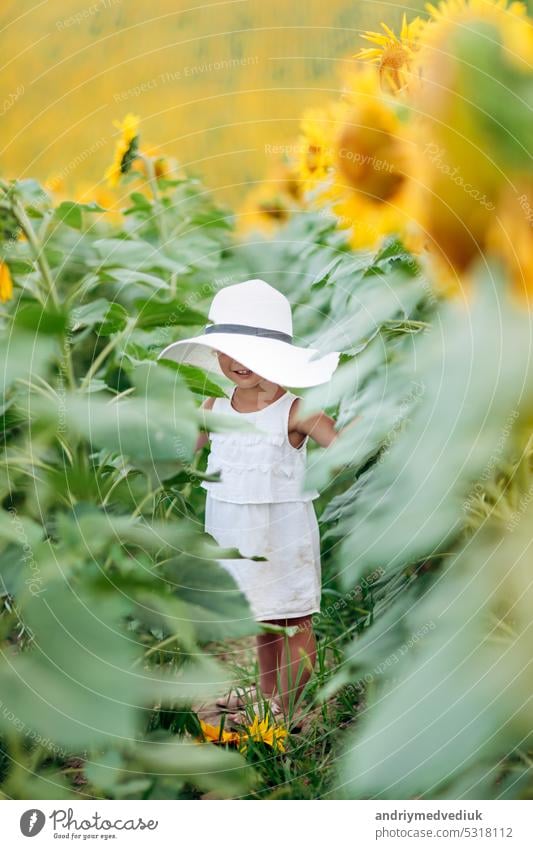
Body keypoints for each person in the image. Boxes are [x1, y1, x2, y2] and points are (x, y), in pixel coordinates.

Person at [158, 279, 345, 726]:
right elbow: (184, 448)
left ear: (276, 359)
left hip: (283, 534)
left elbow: (342, 449)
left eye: (251, 354)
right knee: (262, 618)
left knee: (293, 619)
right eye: (228, 351)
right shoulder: (215, 404)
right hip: (235, 533)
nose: (238, 363)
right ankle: (266, 696)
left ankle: (285, 707)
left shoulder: (297, 411)